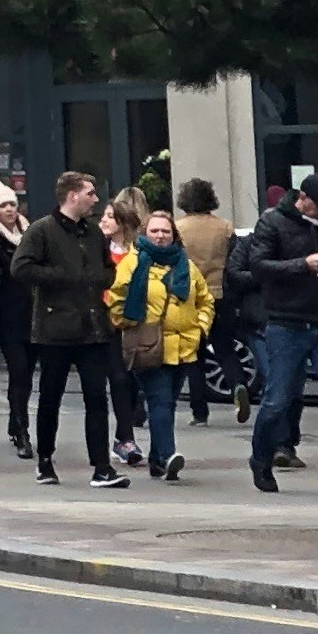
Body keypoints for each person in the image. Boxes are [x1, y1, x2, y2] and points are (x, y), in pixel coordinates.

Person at [244, 173, 318, 496]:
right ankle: (261, 458)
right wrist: (303, 264)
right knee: (278, 400)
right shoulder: (272, 223)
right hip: (286, 323)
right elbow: (258, 267)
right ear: (303, 198)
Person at [16, 166, 126, 488]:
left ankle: (102, 466)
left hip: (93, 327)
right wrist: (59, 278)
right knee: (50, 396)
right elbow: (21, 267)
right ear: (72, 195)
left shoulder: (92, 233)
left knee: (96, 395)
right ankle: (45, 460)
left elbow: (107, 268)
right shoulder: (42, 231)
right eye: (90, 193)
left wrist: (102, 278)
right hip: (55, 329)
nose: (95, 200)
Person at [108, 200, 209, 481]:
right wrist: (128, 324)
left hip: (183, 345)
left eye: (166, 231)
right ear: (145, 233)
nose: (160, 236)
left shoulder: (185, 265)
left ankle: (155, 459)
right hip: (148, 345)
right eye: (155, 231)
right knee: (161, 401)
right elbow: (116, 297)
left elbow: (204, 300)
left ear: (174, 235)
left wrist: (200, 327)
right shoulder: (133, 261)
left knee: (168, 402)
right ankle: (167, 456)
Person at [174, 178, 238, 427]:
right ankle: (238, 386)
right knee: (225, 350)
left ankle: (199, 412)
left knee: (194, 356)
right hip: (219, 295)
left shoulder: (178, 228)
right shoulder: (225, 228)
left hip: (189, 299)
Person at [0, 181, 37, 458]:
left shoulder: (30, 233)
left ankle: (14, 419)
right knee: (18, 372)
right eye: (3, 206)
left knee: (27, 374)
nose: (9, 210)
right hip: (8, 315)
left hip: (34, 315)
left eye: (12, 204)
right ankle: (22, 431)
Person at [100, 188, 151, 465]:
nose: (104, 221)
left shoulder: (138, 252)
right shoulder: (98, 249)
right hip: (105, 323)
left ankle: (129, 435)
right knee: (118, 378)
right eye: (104, 216)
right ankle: (125, 439)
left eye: (110, 216)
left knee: (133, 381)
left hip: (134, 323)